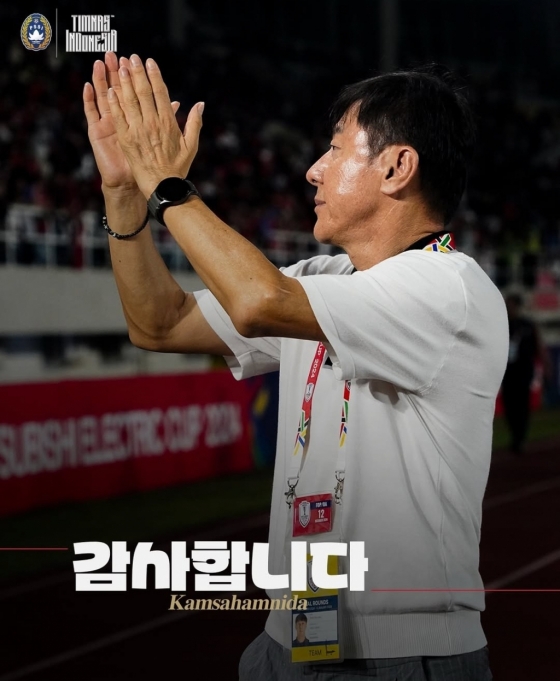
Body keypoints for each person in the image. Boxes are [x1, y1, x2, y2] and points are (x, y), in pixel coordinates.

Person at [84, 52, 508, 680]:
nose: (313, 170)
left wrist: (167, 186)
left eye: (334, 148)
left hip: (397, 654)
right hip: (291, 636)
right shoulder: (324, 278)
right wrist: (124, 195)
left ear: (397, 168)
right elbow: (160, 324)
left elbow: (256, 300)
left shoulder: (449, 288)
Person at [501, 293, 551, 455]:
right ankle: (515, 436)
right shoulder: (502, 325)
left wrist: (546, 366)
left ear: (517, 306)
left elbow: (539, 347)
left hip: (523, 370)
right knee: (509, 405)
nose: (508, 308)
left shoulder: (528, 325)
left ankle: (520, 438)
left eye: (510, 304)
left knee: (522, 404)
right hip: (507, 371)